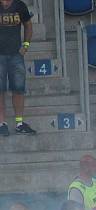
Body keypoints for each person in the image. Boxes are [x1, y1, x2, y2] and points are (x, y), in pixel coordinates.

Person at [0, 0, 35, 136]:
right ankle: (2, 123)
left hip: (16, 54)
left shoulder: (20, 5)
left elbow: (28, 25)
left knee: (18, 89)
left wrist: (25, 46)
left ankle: (19, 123)